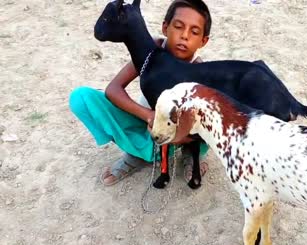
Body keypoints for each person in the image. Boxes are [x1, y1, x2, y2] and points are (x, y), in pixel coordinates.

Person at [69, 0, 212, 186]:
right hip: (145, 122)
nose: (184, 36)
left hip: (178, 138)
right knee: (81, 98)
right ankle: (136, 154)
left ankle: (189, 156)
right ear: (165, 27)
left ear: (203, 41)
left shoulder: (199, 70)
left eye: (194, 32)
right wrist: (148, 116)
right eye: (178, 27)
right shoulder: (149, 51)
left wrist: (173, 136)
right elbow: (113, 89)